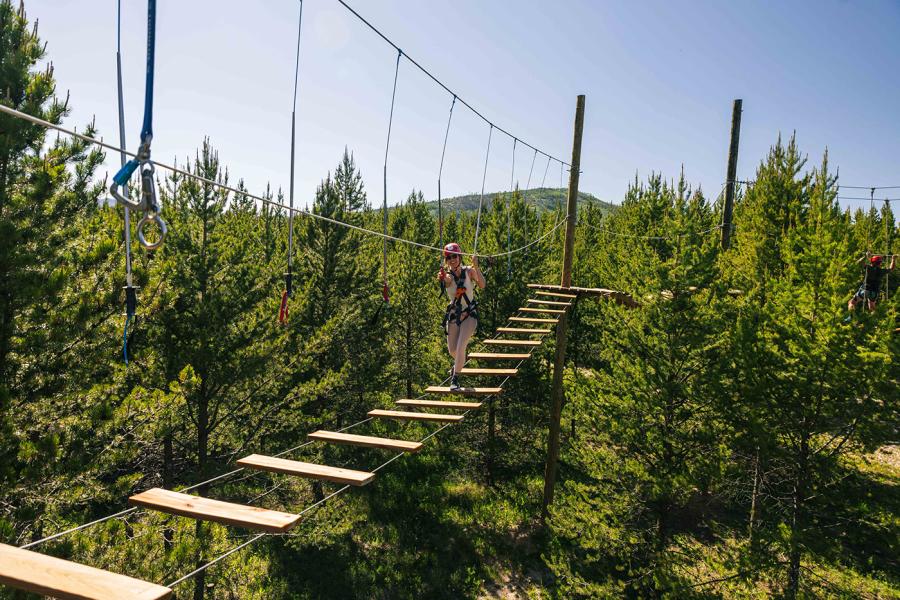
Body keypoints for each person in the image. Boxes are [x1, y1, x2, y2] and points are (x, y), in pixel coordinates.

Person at [438, 242, 486, 390]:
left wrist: (476, 266)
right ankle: (458, 364)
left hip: (469, 315)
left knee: (460, 347)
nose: (452, 259)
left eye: (455, 256)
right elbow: (447, 281)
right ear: (446, 260)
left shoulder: (469, 271)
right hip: (454, 315)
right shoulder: (448, 276)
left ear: (459, 257)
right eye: (449, 257)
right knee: (453, 350)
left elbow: (482, 284)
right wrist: (442, 278)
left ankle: (455, 379)